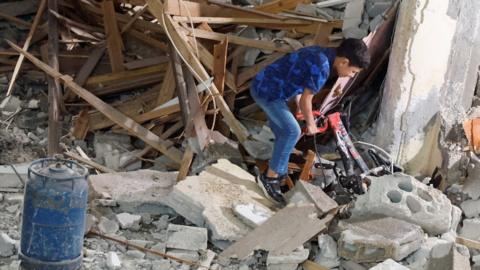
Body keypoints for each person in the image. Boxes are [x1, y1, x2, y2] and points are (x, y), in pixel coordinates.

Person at [250, 38, 371, 205]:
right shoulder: (323, 68)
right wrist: (311, 124)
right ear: (344, 62)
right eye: (353, 72)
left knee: (283, 132)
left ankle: (280, 170)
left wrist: (301, 110)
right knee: (293, 132)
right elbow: (306, 100)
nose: (351, 76)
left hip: (266, 84)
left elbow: (297, 77)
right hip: (267, 93)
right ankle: (269, 179)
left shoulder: (322, 53)